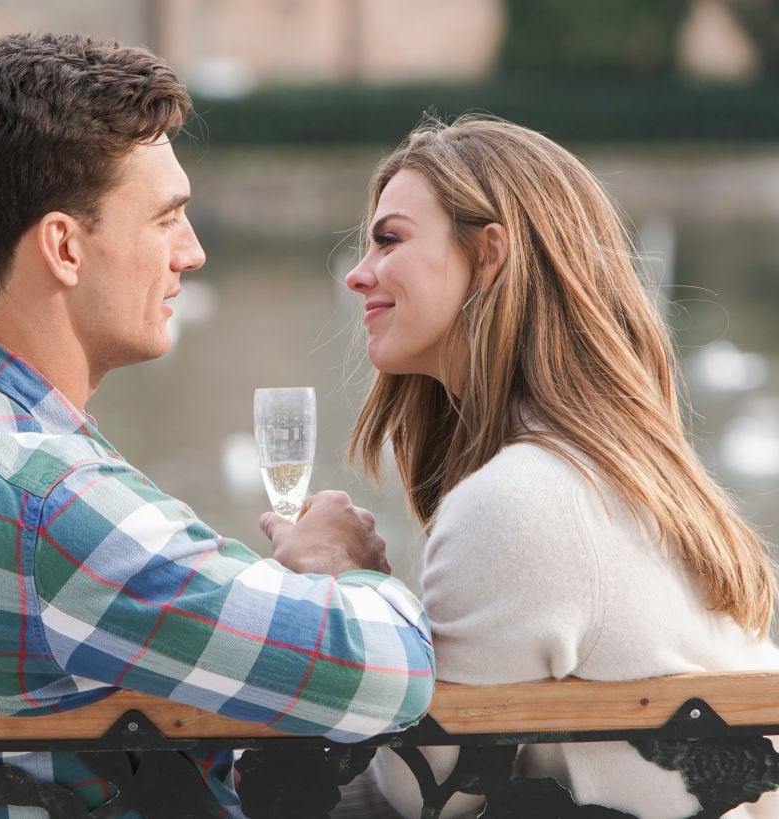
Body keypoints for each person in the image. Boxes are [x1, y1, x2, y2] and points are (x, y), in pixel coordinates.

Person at [0, 33, 436, 817]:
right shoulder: (52, 511)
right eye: (166, 219)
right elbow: (393, 672)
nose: (191, 253)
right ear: (64, 247)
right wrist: (338, 563)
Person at [270, 113, 779, 817]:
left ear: (490, 256)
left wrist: (343, 586)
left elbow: (423, 795)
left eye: (389, 239)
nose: (359, 275)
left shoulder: (524, 500)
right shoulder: (610, 470)